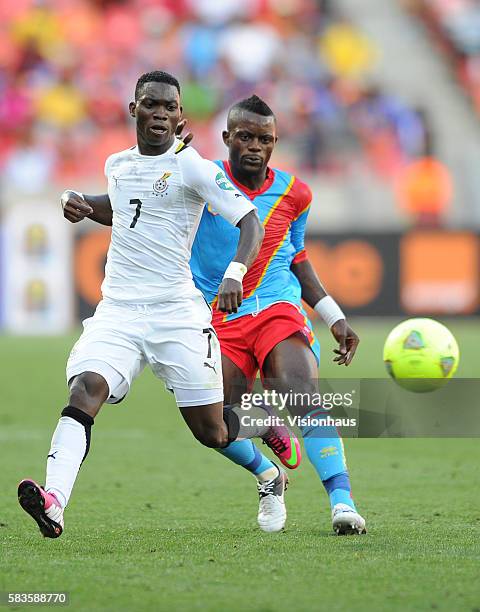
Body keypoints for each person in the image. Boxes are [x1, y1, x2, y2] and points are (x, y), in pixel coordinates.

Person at [60, 94, 367, 536]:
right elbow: (140, 203)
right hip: (217, 315)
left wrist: (333, 315)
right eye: (244, 136)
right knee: (213, 422)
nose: (254, 146)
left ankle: (342, 503)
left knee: (301, 391)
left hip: (276, 305)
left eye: (264, 139)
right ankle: (269, 474)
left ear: (275, 142)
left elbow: (296, 256)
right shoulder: (197, 175)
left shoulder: (296, 192)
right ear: (227, 138)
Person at [18, 72, 299, 539]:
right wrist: (81, 202)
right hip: (119, 311)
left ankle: (264, 444)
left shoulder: (193, 167)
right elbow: (126, 206)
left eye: (170, 107)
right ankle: (54, 502)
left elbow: (249, 221)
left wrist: (234, 274)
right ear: (134, 110)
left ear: (179, 116)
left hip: (176, 314)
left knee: (212, 431)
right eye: (152, 104)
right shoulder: (118, 164)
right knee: (86, 389)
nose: (161, 114)